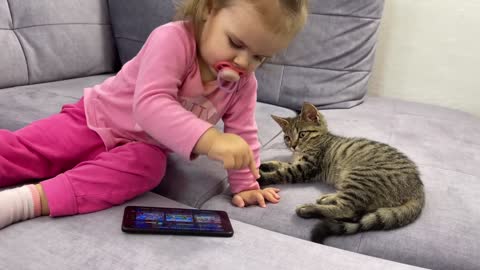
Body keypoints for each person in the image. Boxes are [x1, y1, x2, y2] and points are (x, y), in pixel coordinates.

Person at [0, 0, 308, 229]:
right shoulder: (173, 39)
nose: (242, 61)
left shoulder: (243, 84)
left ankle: (27, 201)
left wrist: (246, 185)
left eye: (259, 57)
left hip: (143, 148)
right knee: (29, 151)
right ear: (209, 10)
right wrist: (210, 139)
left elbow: (243, 135)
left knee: (150, 167)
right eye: (236, 43)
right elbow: (150, 105)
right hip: (95, 119)